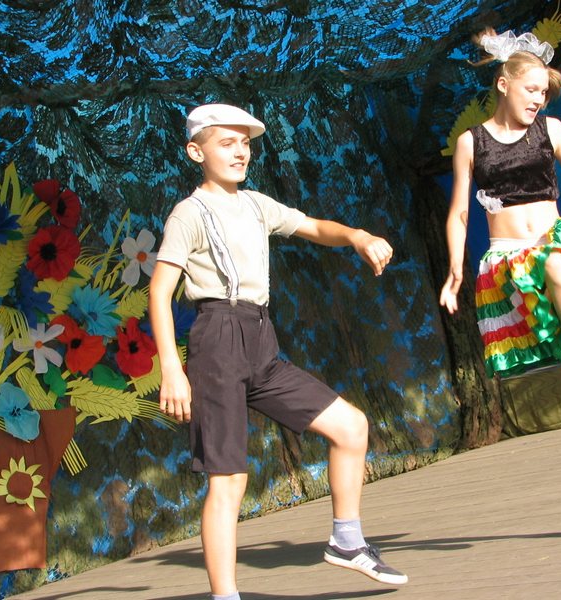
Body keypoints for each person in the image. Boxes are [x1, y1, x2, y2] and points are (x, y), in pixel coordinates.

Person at [149, 103, 408, 600]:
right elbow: (159, 292)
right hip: (217, 341)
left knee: (351, 426)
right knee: (229, 481)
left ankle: (347, 542)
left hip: (261, 342)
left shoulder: (256, 205)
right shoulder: (189, 213)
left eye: (245, 144)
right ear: (195, 152)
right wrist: (172, 369)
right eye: (227, 143)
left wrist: (357, 236)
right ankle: (226, 596)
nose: (240, 152)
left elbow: (313, 226)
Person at [439, 30, 561, 533]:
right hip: (510, 261)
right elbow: (459, 212)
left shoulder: (551, 130)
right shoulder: (471, 142)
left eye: (544, 94)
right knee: (550, 267)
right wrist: (455, 269)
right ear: (503, 84)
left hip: (557, 248)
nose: (538, 100)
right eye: (531, 90)